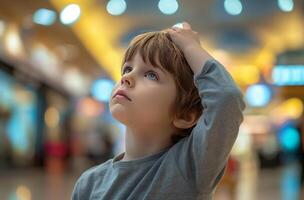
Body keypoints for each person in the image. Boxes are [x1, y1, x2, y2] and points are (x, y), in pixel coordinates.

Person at [72, 22, 245, 200]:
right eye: (127, 69)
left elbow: (227, 98)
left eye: (151, 75)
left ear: (185, 115)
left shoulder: (190, 166)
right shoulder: (89, 184)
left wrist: (190, 46)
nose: (126, 77)